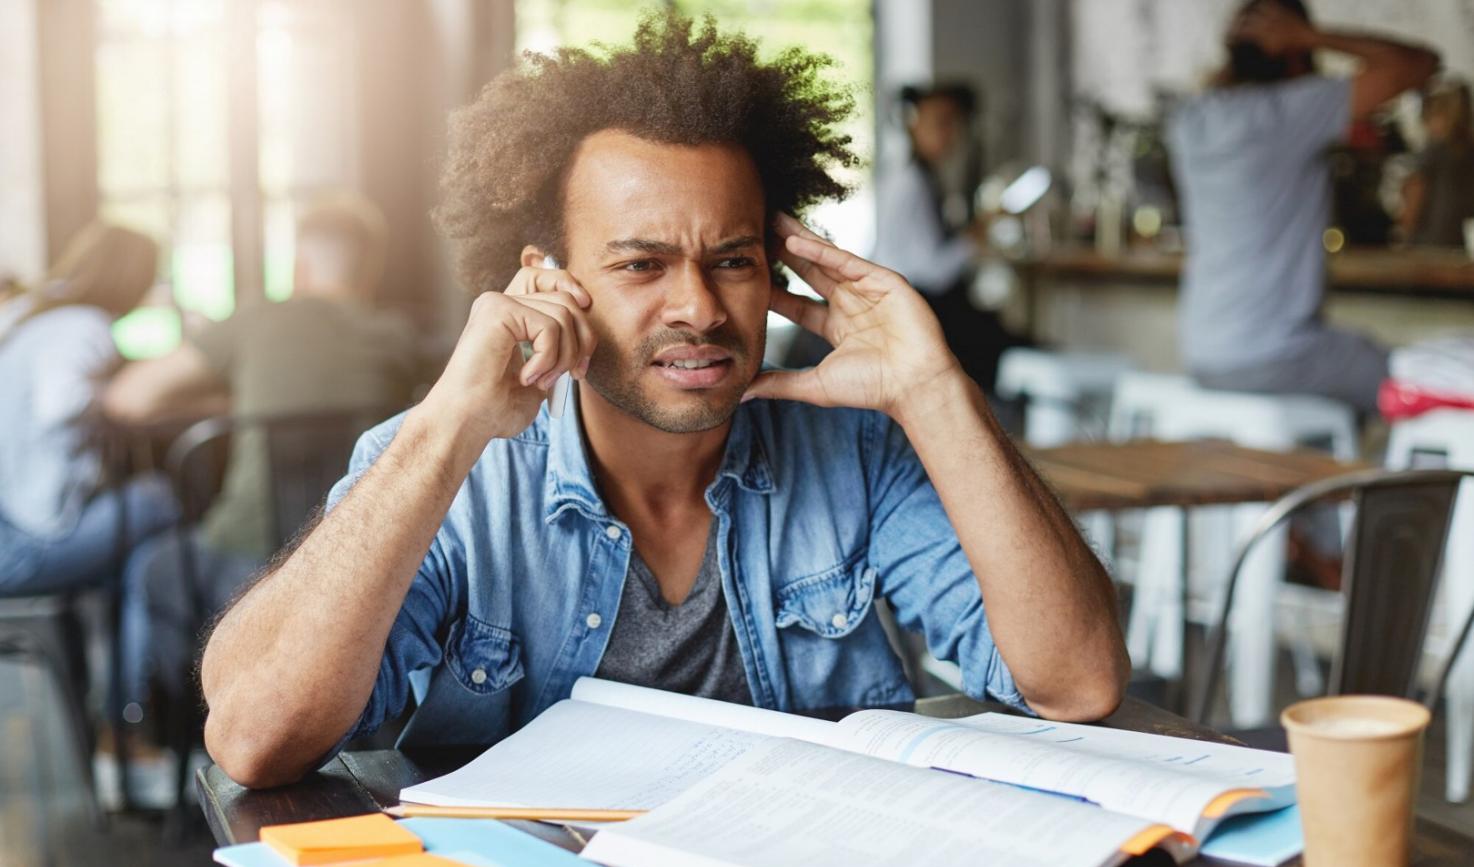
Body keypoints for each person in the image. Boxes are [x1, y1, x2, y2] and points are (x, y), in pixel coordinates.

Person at [199, 12, 1128, 789]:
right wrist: (448, 424)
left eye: (730, 260)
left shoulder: (855, 454)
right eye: (642, 264)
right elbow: (255, 736)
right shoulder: (451, 470)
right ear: (547, 281)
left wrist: (936, 388)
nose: (697, 306)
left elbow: (1077, 682)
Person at [102, 194, 435, 717]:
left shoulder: (257, 318)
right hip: (359, 554)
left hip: (249, 554)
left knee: (153, 567)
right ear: (367, 269)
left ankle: (157, 730)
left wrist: (231, 402)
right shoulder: (396, 338)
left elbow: (129, 398)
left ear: (299, 265)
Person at [1167, 0, 1439, 414]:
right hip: (1279, 353)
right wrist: (1312, 36)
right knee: (1423, 385)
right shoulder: (1286, 112)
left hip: (1203, 349)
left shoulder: (1191, 119)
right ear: (1293, 52)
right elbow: (1420, 64)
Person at [0, 222, 178, 597]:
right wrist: (117, 397)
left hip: (9, 533)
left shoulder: (28, 315)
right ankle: (139, 656)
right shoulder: (84, 323)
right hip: (27, 547)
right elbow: (60, 403)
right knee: (163, 499)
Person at [873, 83, 1027, 393]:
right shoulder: (912, 184)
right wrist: (976, 236)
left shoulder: (922, 178)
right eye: (940, 122)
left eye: (954, 123)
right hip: (915, 308)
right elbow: (933, 271)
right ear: (914, 125)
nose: (951, 133)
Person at [1400, 77, 1474, 248]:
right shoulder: (1468, 153)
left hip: (1428, 241)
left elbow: (1416, 192)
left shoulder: (1434, 152)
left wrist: (1405, 231)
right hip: (1460, 242)